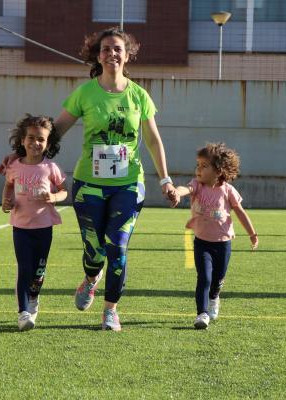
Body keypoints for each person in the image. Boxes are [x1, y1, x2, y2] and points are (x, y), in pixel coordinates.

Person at [50, 27, 177, 331]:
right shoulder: (85, 93)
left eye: (117, 49)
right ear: (98, 55)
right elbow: (56, 131)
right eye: (106, 49)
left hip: (128, 184)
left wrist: (165, 180)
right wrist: (26, 156)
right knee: (94, 250)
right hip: (89, 184)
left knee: (117, 247)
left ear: (128, 54)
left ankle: (111, 310)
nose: (112, 54)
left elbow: (153, 140)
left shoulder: (138, 95)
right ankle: (92, 278)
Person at [173, 142, 258, 330]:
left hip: (223, 244)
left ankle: (214, 297)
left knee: (218, 279)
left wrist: (252, 233)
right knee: (204, 277)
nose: (198, 170)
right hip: (202, 243)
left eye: (204, 166)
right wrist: (176, 193)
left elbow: (240, 212)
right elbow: (184, 189)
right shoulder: (196, 185)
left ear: (218, 170)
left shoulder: (228, 190)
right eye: (197, 165)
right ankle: (202, 313)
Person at [1, 114, 67, 331]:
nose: (35, 143)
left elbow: (64, 191)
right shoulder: (14, 166)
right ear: (22, 140)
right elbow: (9, 185)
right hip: (20, 227)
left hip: (44, 227)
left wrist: (54, 197)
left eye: (41, 139)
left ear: (47, 143)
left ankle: (34, 298)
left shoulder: (50, 168)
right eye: (31, 138)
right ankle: (23, 313)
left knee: (38, 271)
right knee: (24, 268)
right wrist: (6, 200)